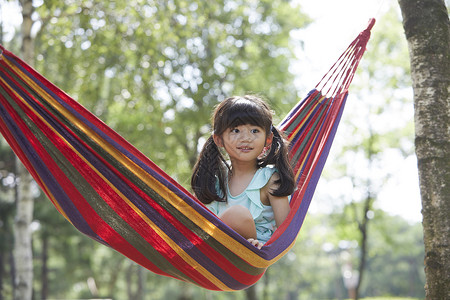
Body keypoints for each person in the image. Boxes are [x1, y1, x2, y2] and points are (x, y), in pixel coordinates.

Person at [191, 95, 295, 249]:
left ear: (268, 139)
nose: (246, 138)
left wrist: (261, 247)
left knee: (237, 215)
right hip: (213, 254)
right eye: (236, 130)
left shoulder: (270, 179)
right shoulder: (216, 179)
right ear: (219, 139)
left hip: (253, 257)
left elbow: (286, 237)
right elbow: (197, 224)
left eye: (254, 131)